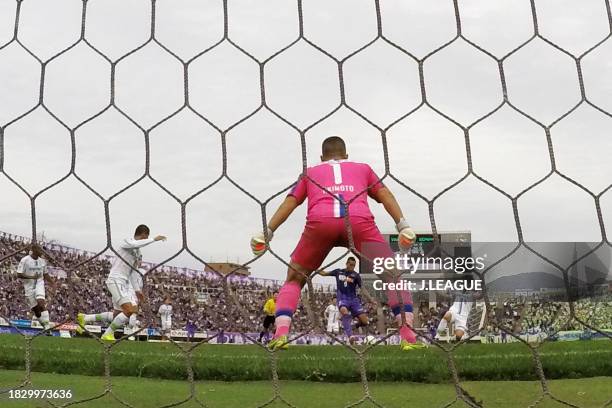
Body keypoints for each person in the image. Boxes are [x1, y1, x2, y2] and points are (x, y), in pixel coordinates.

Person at [250, 136, 420, 351]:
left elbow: (291, 201)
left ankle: (281, 335)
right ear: (346, 155)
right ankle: (408, 338)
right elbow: (384, 193)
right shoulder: (363, 168)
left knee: (294, 278)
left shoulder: (310, 172)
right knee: (393, 277)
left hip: (320, 223)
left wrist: (267, 232)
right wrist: (402, 225)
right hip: (359, 222)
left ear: (322, 157)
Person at [78, 225, 166, 341]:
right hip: (116, 279)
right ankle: (107, 334)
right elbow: (135, 244)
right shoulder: (127, 242)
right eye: (146, 237)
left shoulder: (138, 254)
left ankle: (85, 318)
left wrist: (137, 290)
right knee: (130, 310)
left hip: (123, 282)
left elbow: (133, 273)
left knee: (117, 314)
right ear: (143, 234)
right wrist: (154, 239)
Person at [319, 257, 370, 343]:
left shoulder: (356, 275)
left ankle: (354, 325)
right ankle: (350, 336)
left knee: (365, 322)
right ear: (346, 263)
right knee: (344, 312)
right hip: (342, 298)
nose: (352, 267)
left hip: (354, 300)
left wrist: (370, 298)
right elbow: (323, 273)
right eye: (350, 265)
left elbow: (362, 288)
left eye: (354, 265)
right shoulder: (338, 272)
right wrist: (317, 269)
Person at [17, 244, 55, 332]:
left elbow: (45, 274)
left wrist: (53, 283)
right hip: (29, 286)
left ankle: (48, 327)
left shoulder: (42, 261)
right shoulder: (25, 260)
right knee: (37, 311)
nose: (42, 252)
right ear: (34, 249)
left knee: (41, 302)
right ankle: (45, 327)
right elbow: (18, 274)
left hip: (39, 283)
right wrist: (31, 277)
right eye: (40, 250)